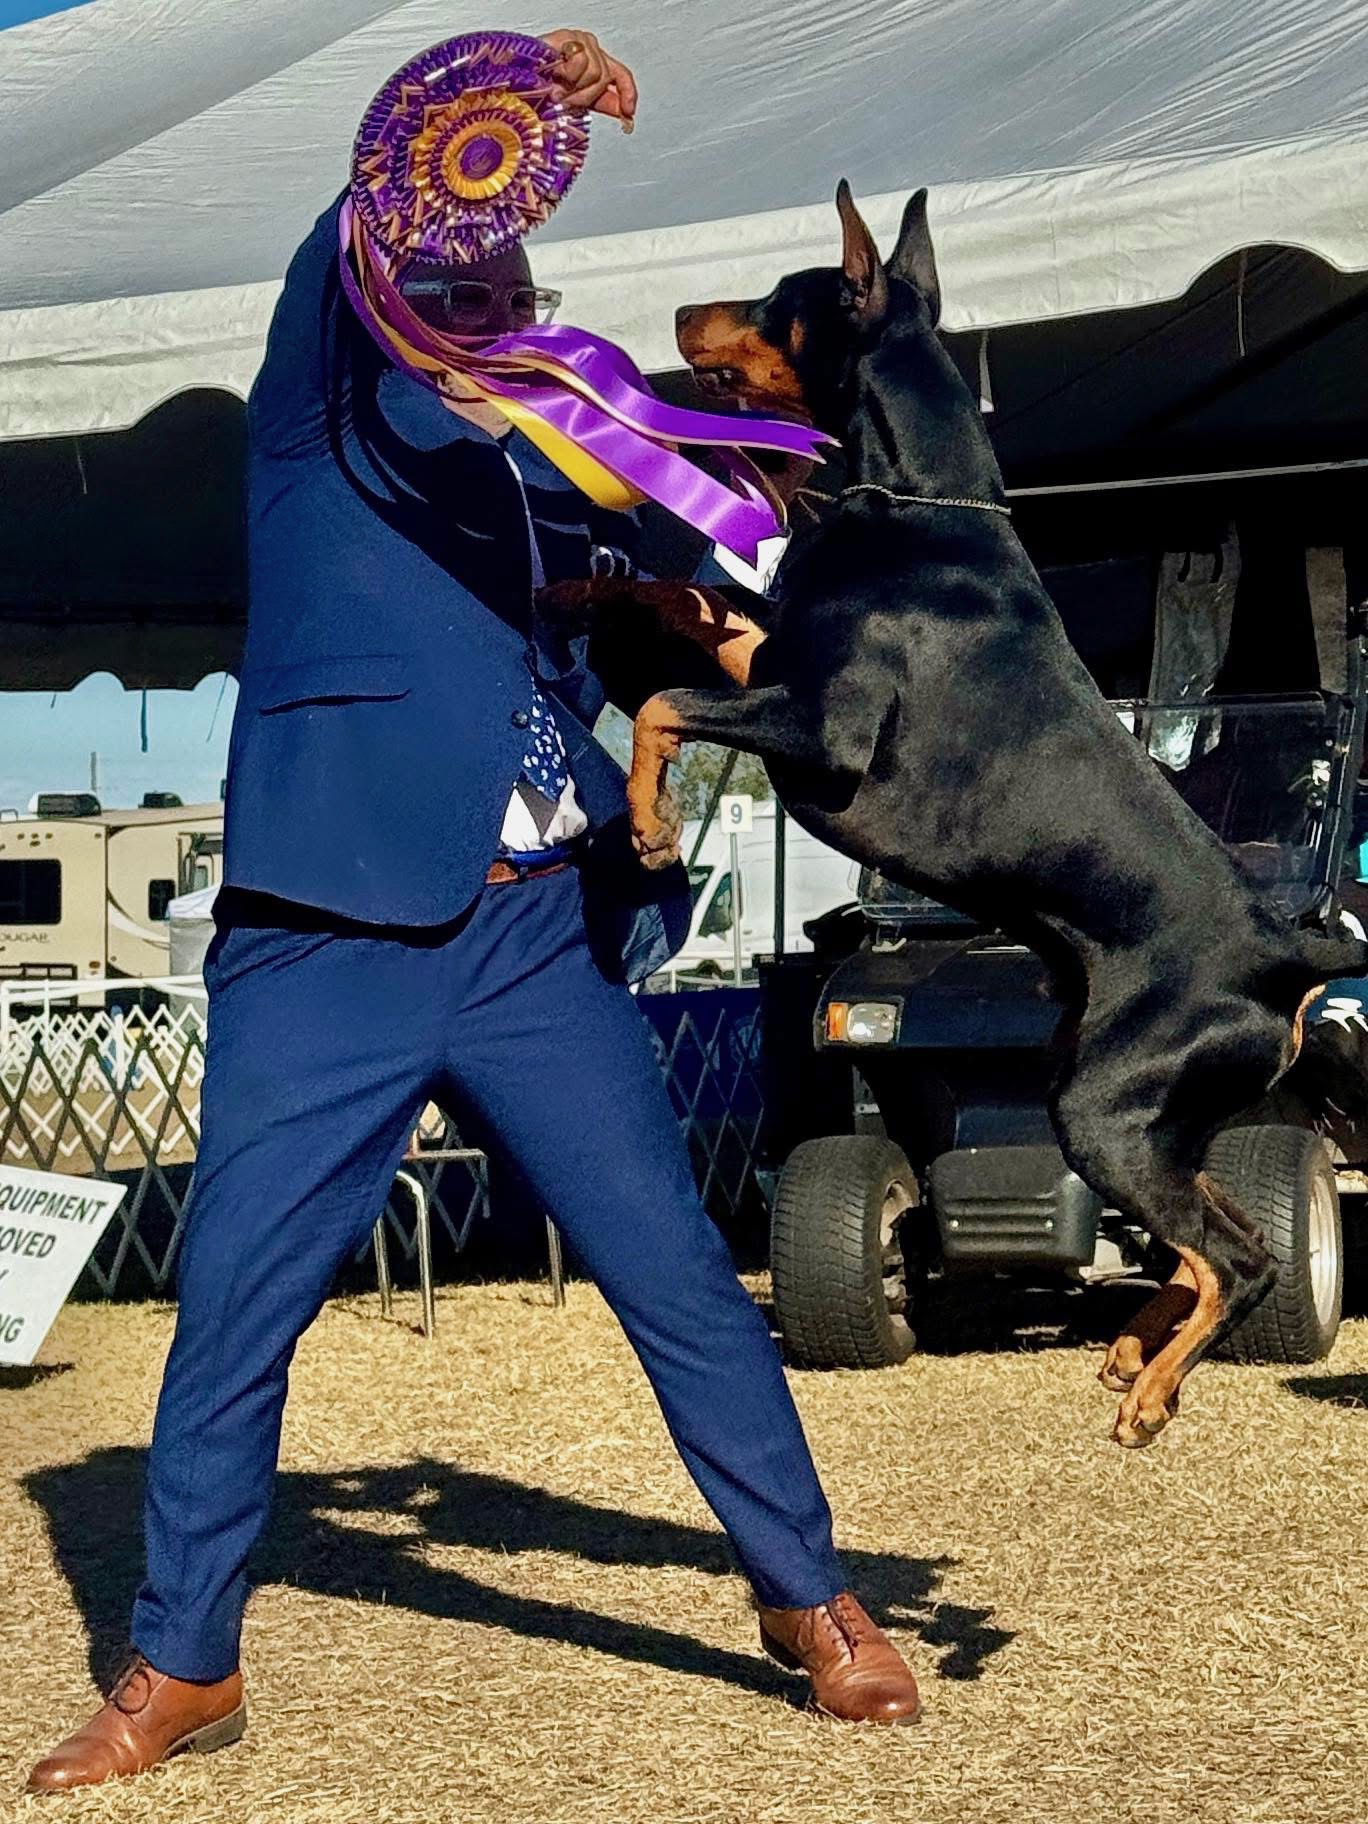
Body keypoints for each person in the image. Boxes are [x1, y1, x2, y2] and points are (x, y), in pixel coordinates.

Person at [27, 31, 919, 1793]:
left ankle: (806, 1595)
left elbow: (628, 635)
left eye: (518, 288)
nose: (497, 308)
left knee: (679, 1273)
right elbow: (362, 225)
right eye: (461, 281)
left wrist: (699, 626)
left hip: (531, 941)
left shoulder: (549, 479)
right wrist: (501, 89)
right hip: (326, 939)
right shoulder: (314, 418)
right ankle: (182, 1662)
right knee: (235, 1303)